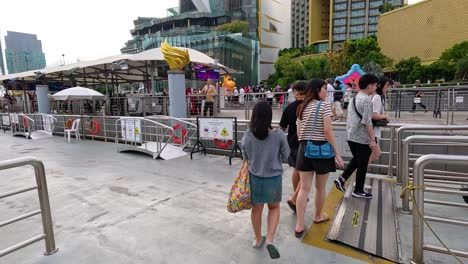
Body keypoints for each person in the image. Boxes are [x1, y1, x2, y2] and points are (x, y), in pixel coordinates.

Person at [294, 79, 345, 237]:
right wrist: (337, 153)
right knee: (320, 187)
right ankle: (317, 216)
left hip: (304, 148)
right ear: (317, 90)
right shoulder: (324, 106)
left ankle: (299, 224)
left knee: (304, 188)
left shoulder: (301, 107)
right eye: (324, 88)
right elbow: (328, 131)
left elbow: (298, 132)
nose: (326, 91)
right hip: (321, 150)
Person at [241, 101, 290, 259]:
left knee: (257, 209)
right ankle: (269, 239)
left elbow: (245, 154)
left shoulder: (248, 134)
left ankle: (257, 239)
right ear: (270, 116)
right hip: (273, 179)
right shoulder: (279, 135)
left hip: (255, 178)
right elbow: (286, 155)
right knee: (274, 208)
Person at [334, 74, 378, 199]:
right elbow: (367, 121)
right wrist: (372, 139)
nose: (375, 88)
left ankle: (342, 179)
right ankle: (358, 190)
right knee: (362, 164)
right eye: (375, 85)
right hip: (362, 137)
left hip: (351, 135)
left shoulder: (355, 97)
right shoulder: (367, 100)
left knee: (357, 160)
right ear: (369, 86)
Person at [279, 81, 307, 213]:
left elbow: (282, 128)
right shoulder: (310, 106)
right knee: (307, 172)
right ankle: (299, 196)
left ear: (296, 92)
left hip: (293, 143)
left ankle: (297, 195)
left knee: (297, 169)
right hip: (308, 143)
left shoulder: (289, 108)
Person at [369, 76, 390, 162]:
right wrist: (385, 116)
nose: (387, 88)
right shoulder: (377, 97)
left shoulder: (376, 96)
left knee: (373, 154)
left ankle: (357, 173)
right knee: (376, 153)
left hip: (372, 131)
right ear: (380, 85)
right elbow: (374, 115)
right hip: (373, 132)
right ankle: (357, 173)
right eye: (387, 85)